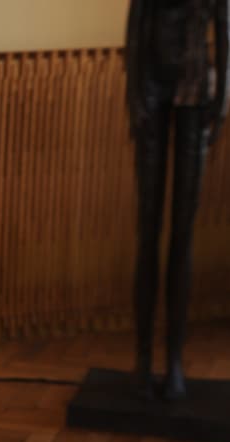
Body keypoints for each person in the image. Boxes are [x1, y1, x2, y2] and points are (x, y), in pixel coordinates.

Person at [125, 0, 228, 401]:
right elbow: (136, 31)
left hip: (195, 87)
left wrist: (221, 102)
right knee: (148, 229)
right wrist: (134, 97)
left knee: (182, 235)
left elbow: (225, 31)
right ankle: (143, 360)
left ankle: (175, 362)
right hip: (151, 87)